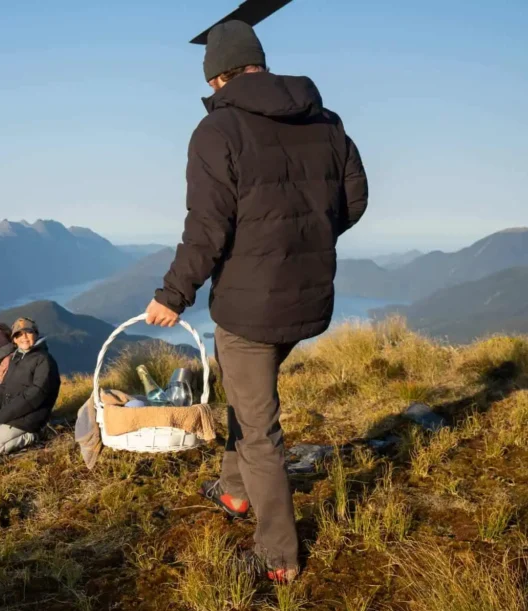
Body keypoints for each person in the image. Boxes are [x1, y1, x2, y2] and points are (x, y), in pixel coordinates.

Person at [145, 20, 369, 582]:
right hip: (307, 300)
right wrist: (308, 240)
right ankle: (235, 491)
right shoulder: (326, 120)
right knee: (248, 401)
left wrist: (174, 294)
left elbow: (207, 227)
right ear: (258, 63)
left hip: (249, 309)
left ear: (216, 76)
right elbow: (355, 198)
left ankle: (279, 557)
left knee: (261, 428)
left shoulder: (218, 131)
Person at [0, 317, 61, 456]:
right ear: (14, 340)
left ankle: (34, 435)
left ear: (36, 334)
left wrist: (5, 414)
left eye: (28, 332)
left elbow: (37, 393)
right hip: (10, 413)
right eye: (18, 334)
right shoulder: (16, 357)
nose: (24, 337)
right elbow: (2, 388)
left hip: (30, 416)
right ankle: (7, 430)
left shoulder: (44, 360)